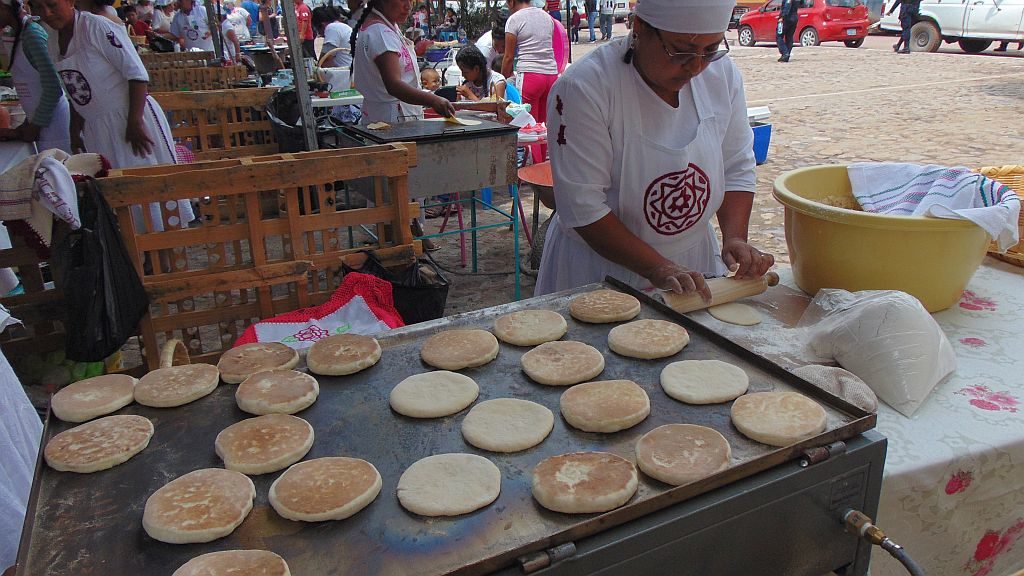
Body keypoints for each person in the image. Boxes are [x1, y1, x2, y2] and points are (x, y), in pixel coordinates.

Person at [535, 0, 774, 297]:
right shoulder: (585, 87)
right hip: (600, 270)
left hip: (693, 260)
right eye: (681, 51)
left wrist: (735, 237)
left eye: (710, 50)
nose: (697, 66)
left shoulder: (721, 75)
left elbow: (736, 165)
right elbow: (582, 205)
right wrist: (657, 267)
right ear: (639, 29)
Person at [0, 0, 71, 152]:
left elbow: (53, 87)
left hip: (54, 123)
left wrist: (35, 125)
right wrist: (26, 125)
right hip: (39, 120)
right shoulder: (14, 33)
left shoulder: (32, 34)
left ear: (4, 8)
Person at [503, 0, 558, 159]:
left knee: (529, 127)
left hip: (530, 76)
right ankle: (546, 169)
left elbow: (508, 57)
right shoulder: (547, 17)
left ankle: (535, 171)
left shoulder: (514, 19)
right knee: (544, 126)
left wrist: (502, 80)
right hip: (551, 75)